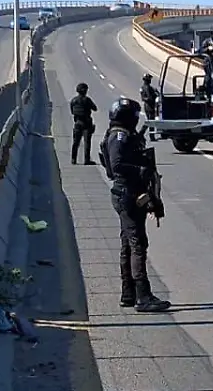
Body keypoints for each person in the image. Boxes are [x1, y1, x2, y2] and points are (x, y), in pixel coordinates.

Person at [99, 98, 171, 313]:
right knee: (137, 244)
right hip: (126, 193)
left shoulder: (125, 135)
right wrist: (141, 171)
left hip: (129, 193)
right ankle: (143, 296)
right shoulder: (118, 136)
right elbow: (117, 164)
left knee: (128, 245)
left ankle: (128, 293)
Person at [69, 83, 98, 165]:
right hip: (87, 123)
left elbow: (72, 111)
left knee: (75, 142)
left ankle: (73, 159)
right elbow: (95, 108)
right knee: (87, 142)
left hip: (78, 123)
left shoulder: (74, 100)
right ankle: (86, 160)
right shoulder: (87, 100)